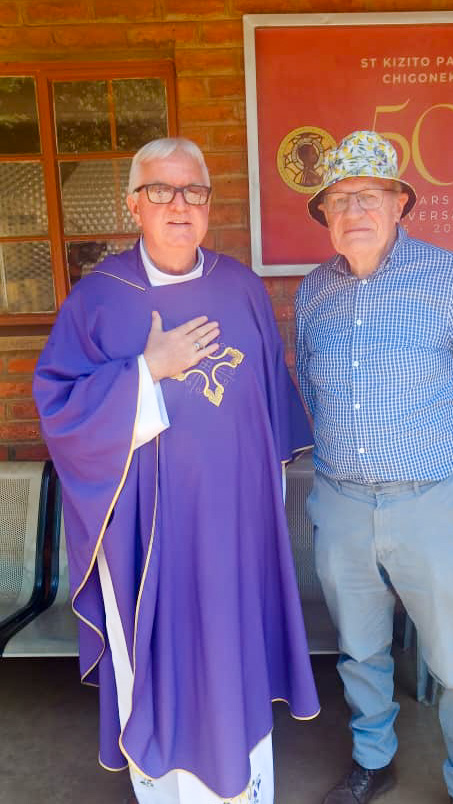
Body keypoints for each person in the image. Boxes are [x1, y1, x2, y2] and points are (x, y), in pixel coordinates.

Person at [33, 137, 319, 804]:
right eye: (160, 190)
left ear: (209, 205)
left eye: (193, 190)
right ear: (134, 205)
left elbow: (268, 408)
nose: (179, 204)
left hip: (236, 533)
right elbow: (60, 408)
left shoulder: (241, 286)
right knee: (164, 669)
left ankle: (245, 792)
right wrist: (145, 371)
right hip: (145, 540)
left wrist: (260, 510)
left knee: (232, 665)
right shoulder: (98, 301)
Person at [295, 131, 453, 804]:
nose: (355, 209)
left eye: (371, 195)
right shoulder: (311, 293)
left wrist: (443, 479)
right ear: (324, 213)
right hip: (343, 504)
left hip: (431, 504)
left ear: (398, 203)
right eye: (340, 198)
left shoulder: (449, 278)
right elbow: (313, 391)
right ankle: (373, 758)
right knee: (359, 650)